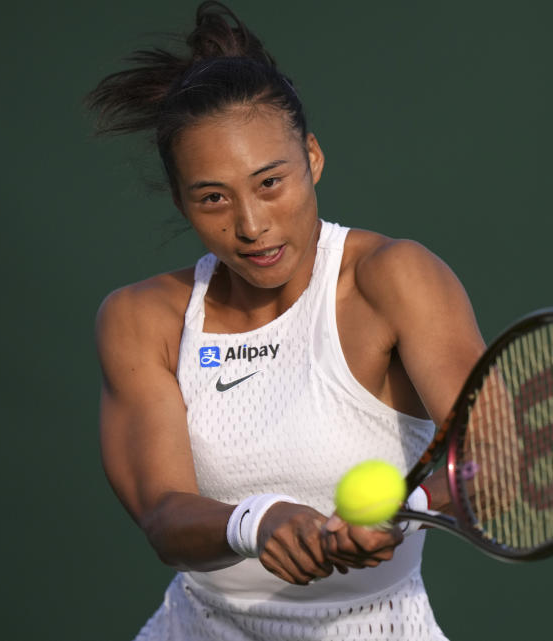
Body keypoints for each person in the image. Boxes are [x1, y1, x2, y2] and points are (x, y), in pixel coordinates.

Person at [88, 2, 484, 639]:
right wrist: (258, 520)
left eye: (270, 182)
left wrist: (407, 508)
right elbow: (163, 517)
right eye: (213, 197)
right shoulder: (139, 319)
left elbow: (495, 458)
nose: (250, 225)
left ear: (313, 158)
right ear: (180, 200)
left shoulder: (395, 278)